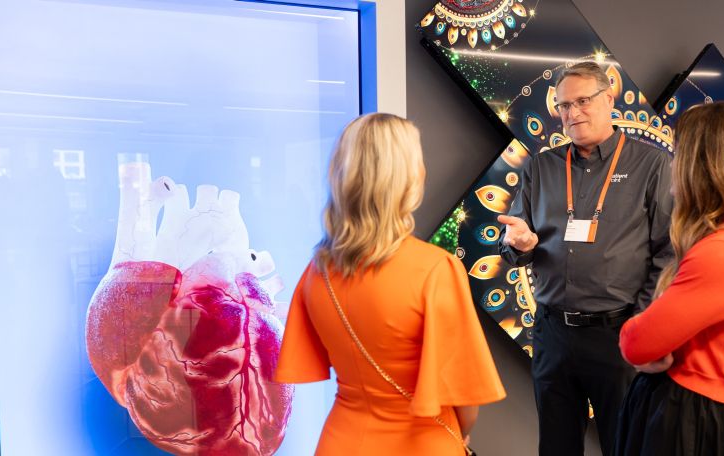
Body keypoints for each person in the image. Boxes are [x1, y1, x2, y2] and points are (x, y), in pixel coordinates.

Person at [273, 113, 506, 455]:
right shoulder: (435, 269)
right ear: (407, 178)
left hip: (341, 440)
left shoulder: (316, 271)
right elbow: (465, 400)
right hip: (422, 442)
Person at [497, 61, 673, 455]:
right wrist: (518, 247)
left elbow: (669, 250)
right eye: (562, 106)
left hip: (618, 333)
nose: (571, 114)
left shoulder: (651, 164)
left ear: (609, 97)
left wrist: (640, 321)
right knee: (556, 447)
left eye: (582, 101)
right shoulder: (541, 168)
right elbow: (512, 245)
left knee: (624, 444)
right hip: (552, 333)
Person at [614, 101, 724, 456]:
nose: (672, 167)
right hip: (701, 415)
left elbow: (637, 343)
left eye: (678, 154)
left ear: (705, 167)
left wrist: (637, 335)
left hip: (692, 421)